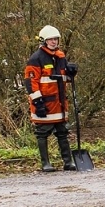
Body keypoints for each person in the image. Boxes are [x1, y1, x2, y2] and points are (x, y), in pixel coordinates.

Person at [23, 25, 77, 172]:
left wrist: (71, 72)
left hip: (59, 104)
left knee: (62, 133)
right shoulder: (36, 58)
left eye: (55, 39)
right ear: (44, 41)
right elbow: (31, 82)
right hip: (44, 104)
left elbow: (64, 79)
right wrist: (37, 102)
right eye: (50, 39)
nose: (53, 42)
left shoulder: (60, 56)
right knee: (42, 133)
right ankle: (45, 163)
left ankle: (68, 162)